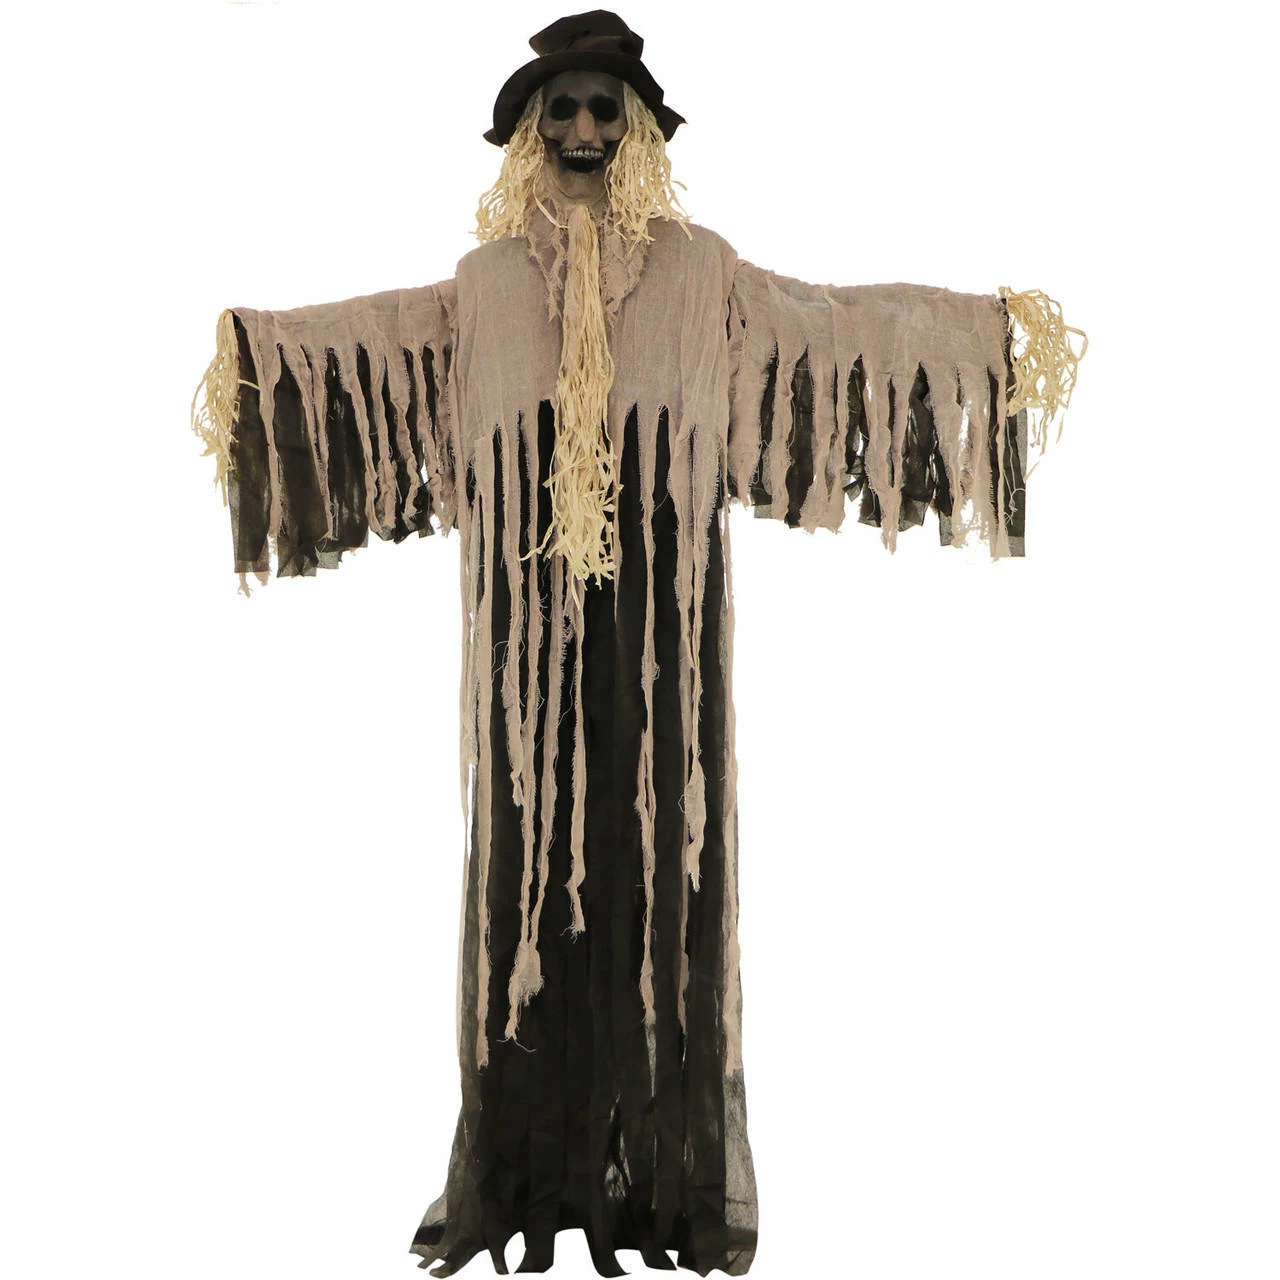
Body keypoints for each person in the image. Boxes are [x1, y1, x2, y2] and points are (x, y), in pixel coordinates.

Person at [191, 10, 1084, 1275]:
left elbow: (826, 325)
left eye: (602, 110)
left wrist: (982, 340)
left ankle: (660, 1184)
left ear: (640, 131)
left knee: (666, 874)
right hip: (522, 644)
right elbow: (380, 348)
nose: (580, 130)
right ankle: (521, 1174)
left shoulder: (699, 273)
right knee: (523, 878)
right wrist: (257, 355)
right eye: (557, 110)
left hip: (666, 634)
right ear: (526, 133)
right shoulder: (483, 288)